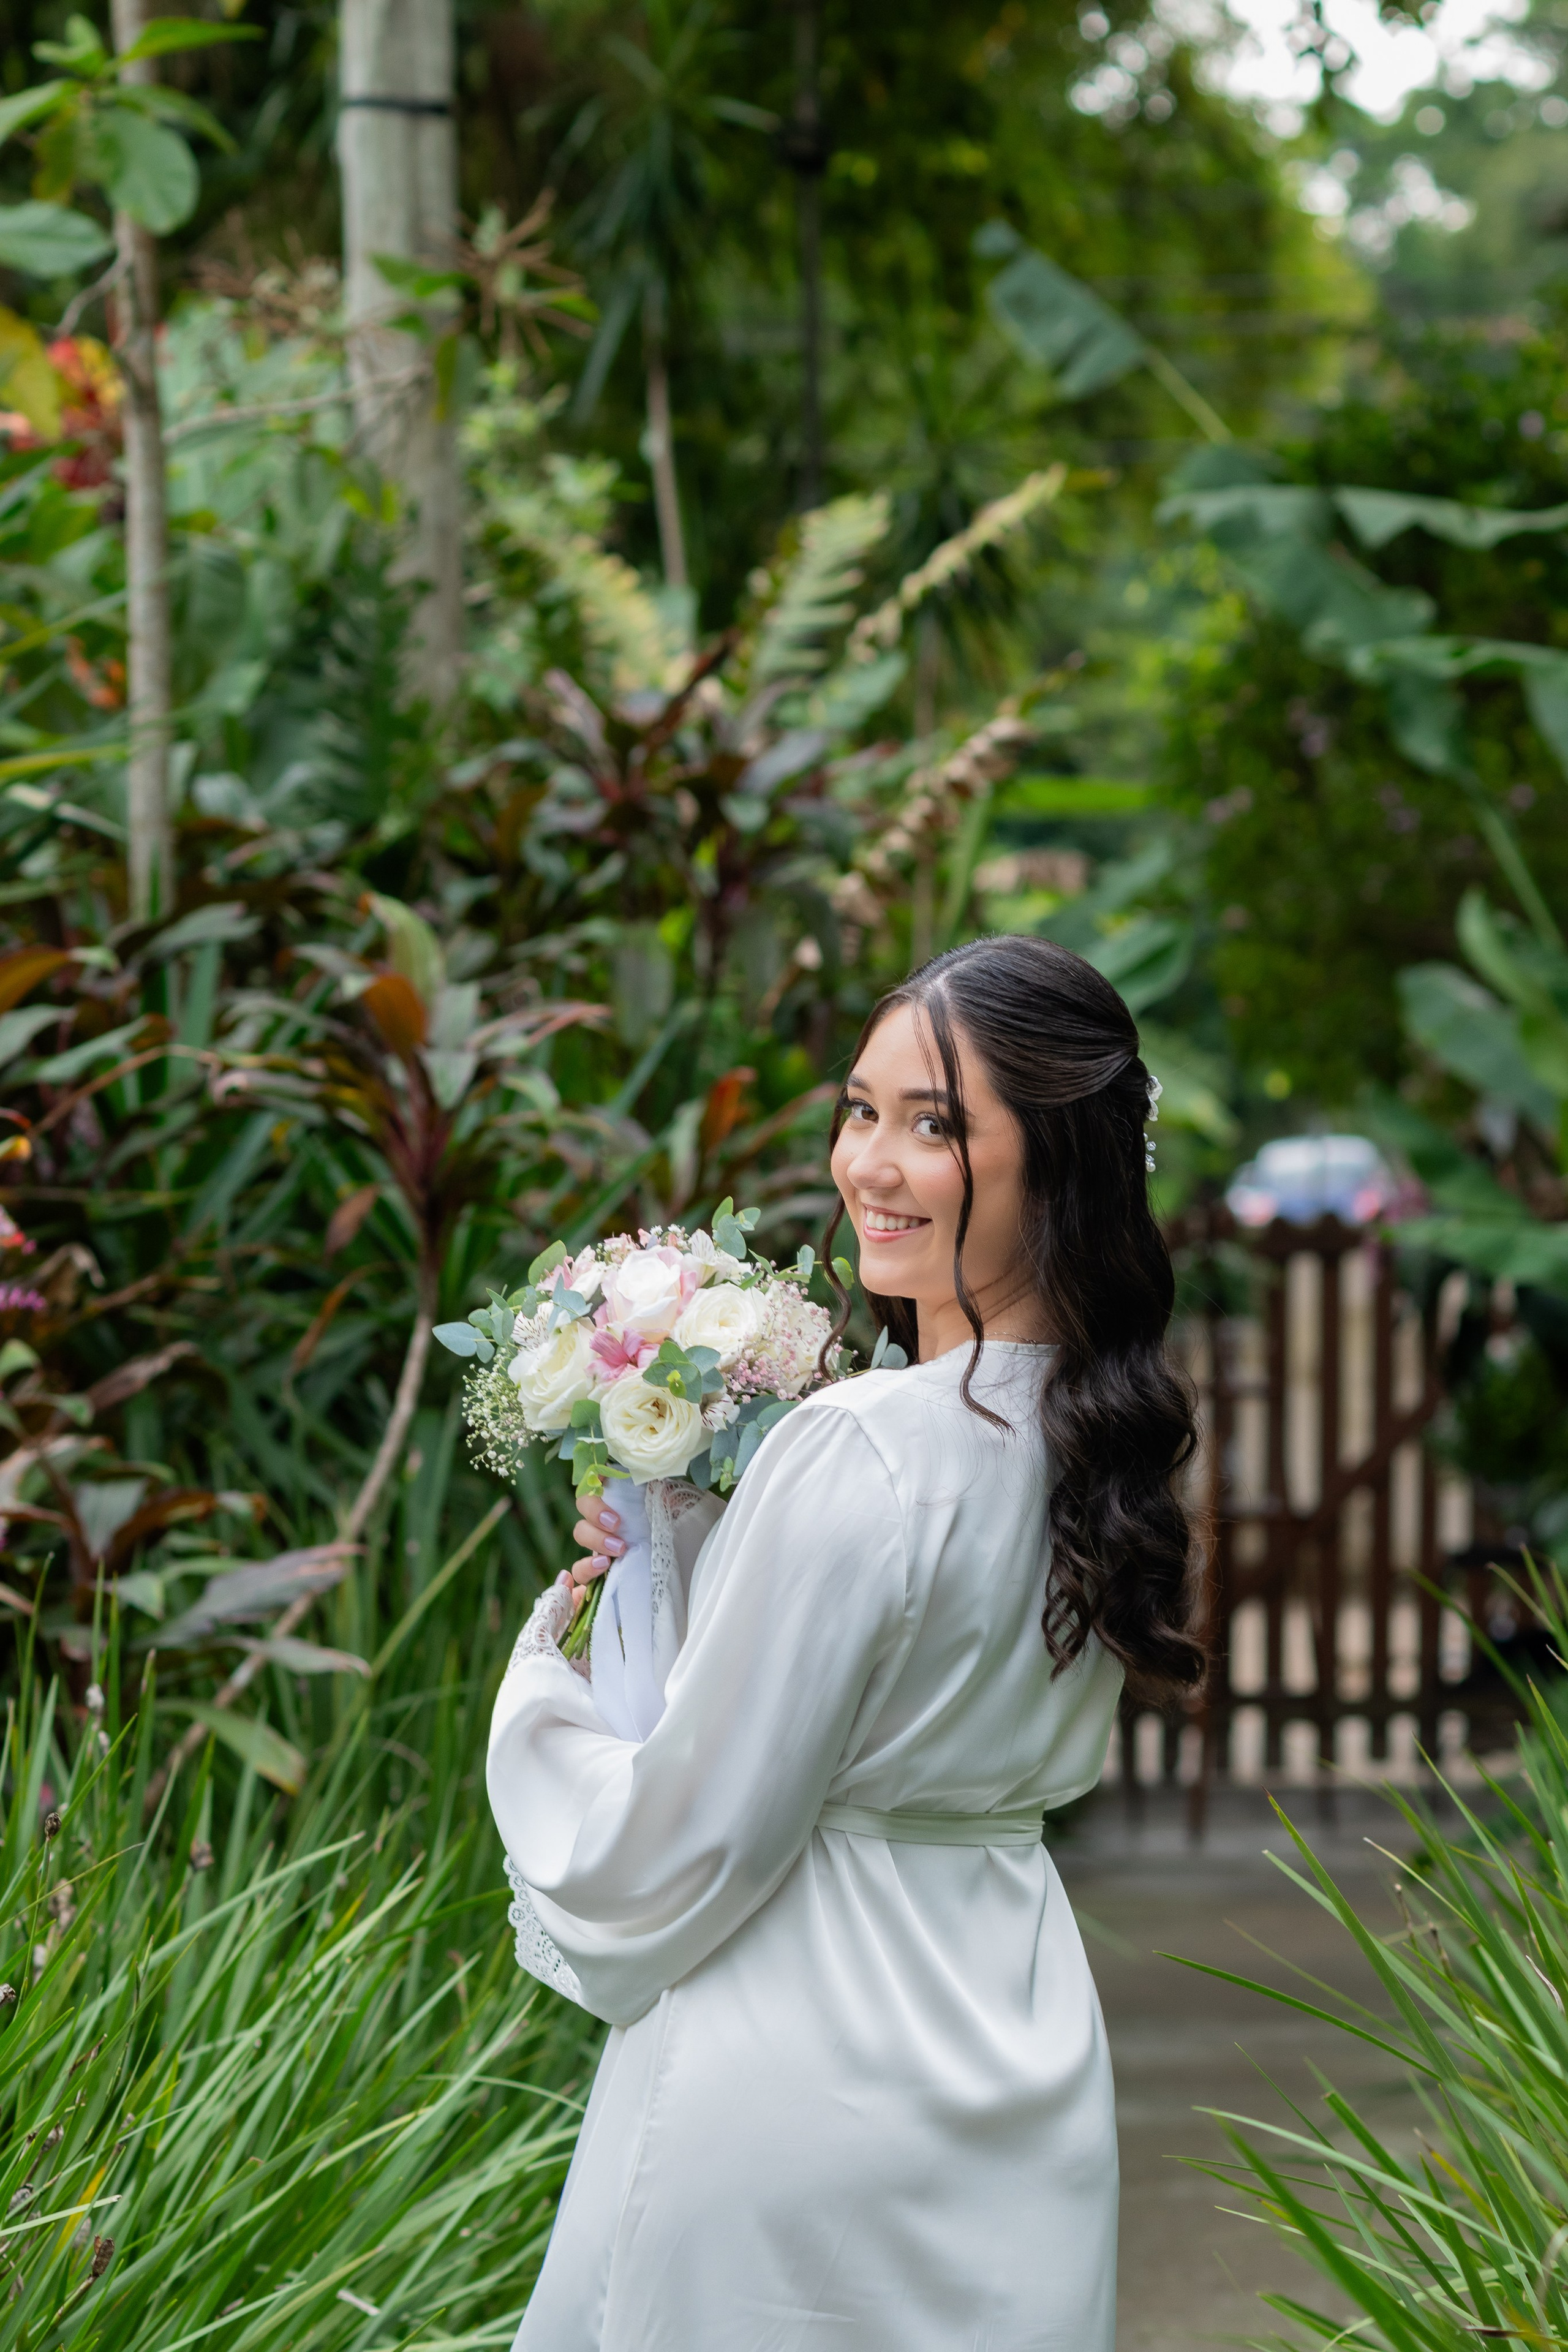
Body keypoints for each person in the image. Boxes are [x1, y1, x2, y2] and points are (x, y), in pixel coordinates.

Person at [487, 933, 1205, 2352]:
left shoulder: (864, 1443)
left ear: (1052, 1158)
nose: (867, 1164)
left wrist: (549, 1682)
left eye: (933, 1125)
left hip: (798, 2063)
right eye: (859, 1110)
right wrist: (696, 1558)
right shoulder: (1096, 1442)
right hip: (1015, 2053)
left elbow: (680, 1838)